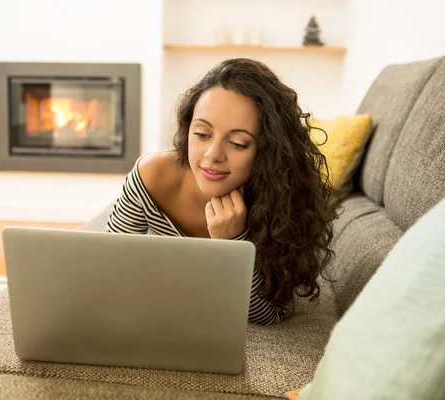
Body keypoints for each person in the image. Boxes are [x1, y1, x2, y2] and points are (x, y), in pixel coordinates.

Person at [106, 58, 339, 325]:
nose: (212, 155)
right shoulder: (153, 175)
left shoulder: (283, 204)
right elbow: (109, 269)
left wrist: (232, 245)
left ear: (267, 151)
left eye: (238, 143)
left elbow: (268, 315)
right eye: (202, 134)